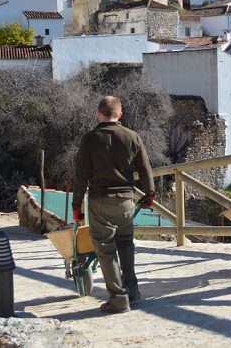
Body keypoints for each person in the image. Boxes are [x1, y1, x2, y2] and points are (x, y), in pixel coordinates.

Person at [72, 96, 155, 314]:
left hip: (100, 201)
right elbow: (145, 169)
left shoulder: (89, 139)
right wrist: (150, 194)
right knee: (126, 244)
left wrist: (76, 205)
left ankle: (119, 299)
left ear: (99, 113)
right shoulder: (132, 136)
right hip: (126, 201)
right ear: (119, 114)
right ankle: (133, 292)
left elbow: (81, 176)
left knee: (106, 250)